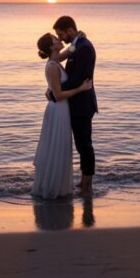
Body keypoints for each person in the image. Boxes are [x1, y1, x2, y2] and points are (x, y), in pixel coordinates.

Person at [32, 33, 93, 199]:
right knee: (57, 146)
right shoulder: (52, 66)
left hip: (62, 110)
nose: (59, 40)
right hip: (58, 109)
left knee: (61, 146)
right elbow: (58, 95)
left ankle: (58, 185)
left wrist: (76, 40)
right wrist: (80, 89)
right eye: (55, 39)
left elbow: (70, 50)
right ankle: (53, 187)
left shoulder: (57, 60)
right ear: (51, 47)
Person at [49, 16, 98, 194]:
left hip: (83, 104)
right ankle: (83, 181)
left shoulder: (84, 48)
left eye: (61, 34)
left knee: (85, 145)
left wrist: (55, 92)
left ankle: (87, 186)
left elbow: (77, 79)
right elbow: (65, 55)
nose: (60, 38)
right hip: (75, 104)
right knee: (81, 144)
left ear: (70, 30)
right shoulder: (77, 45)